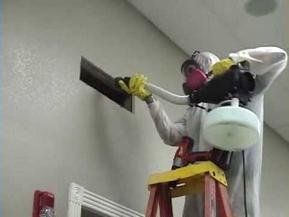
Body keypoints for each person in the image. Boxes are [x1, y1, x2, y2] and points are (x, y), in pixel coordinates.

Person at [118, 47, 288, 217]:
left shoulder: (246, 88)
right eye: (188, 74)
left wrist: (237, 59)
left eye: (195, 70)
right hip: (202, 198)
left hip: (236, 200)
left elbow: (279, 57)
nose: (190, 78)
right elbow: (171, 135)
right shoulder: (195, 111)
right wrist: (150, 100)